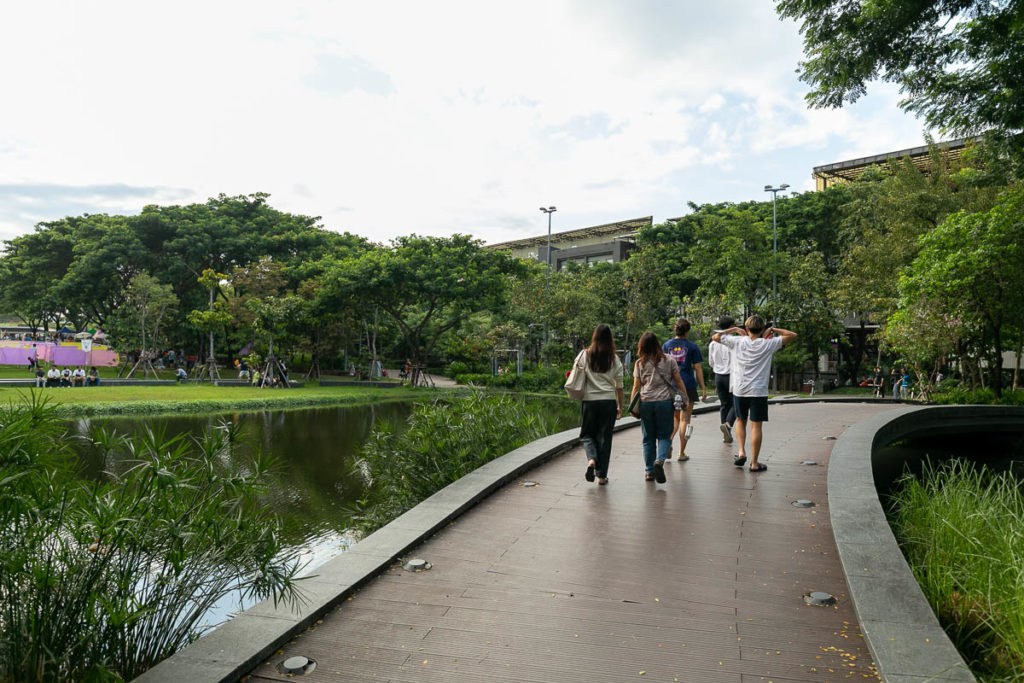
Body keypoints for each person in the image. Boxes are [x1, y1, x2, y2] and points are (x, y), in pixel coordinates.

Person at [711, 316, 797, 472]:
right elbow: (792, 335)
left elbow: (716, 337)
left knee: (740, 420)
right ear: (762, 329)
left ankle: (741, 452)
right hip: (758, 391)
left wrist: (734, 330)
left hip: (740, 389)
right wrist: (773, 330)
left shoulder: (736, 342)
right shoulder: (768, 344)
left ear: (746, 328)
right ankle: (754, 463)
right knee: (756, 426)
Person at [631, 332, 688, 483]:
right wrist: (685, 397)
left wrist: (632, 404)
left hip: (646, 402)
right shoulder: (669, 360)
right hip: (664, 402)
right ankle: (659, 461)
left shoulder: (639, 364)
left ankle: (649, 472)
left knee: (648, 438)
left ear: (641, 346)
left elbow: (636, 386)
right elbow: (678, 381)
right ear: (657, 344)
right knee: (664, 435)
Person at [574, 324, 624, 486]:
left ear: (594, 337)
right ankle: (602, 476)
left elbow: (576, 372)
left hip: (589, 401)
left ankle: (591, 460)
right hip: (608, 401)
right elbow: (620, 386)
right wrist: (620, 406)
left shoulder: (585, 355)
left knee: (586, 434)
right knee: (605, 438)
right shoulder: (614, 358)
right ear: (610, 339)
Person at [662, 318, 707, 461]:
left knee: (674, 418)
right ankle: (681, 453)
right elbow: (697, 368)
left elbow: (662, 366)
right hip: (687, 385)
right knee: (685, 419)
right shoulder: (692, 347)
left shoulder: (666, 345)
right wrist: (703, 388)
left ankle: (668, 442)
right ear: (687, 331)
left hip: (671, 385)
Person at [708, 315, 737, 443]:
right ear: (731, 326)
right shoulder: (734, 341)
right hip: (731, 375)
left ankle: (725, 430)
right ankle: (728, 424)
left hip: (718, 376)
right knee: (736, 402)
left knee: (724, 404)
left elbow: (711, 362)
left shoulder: (713, 343)